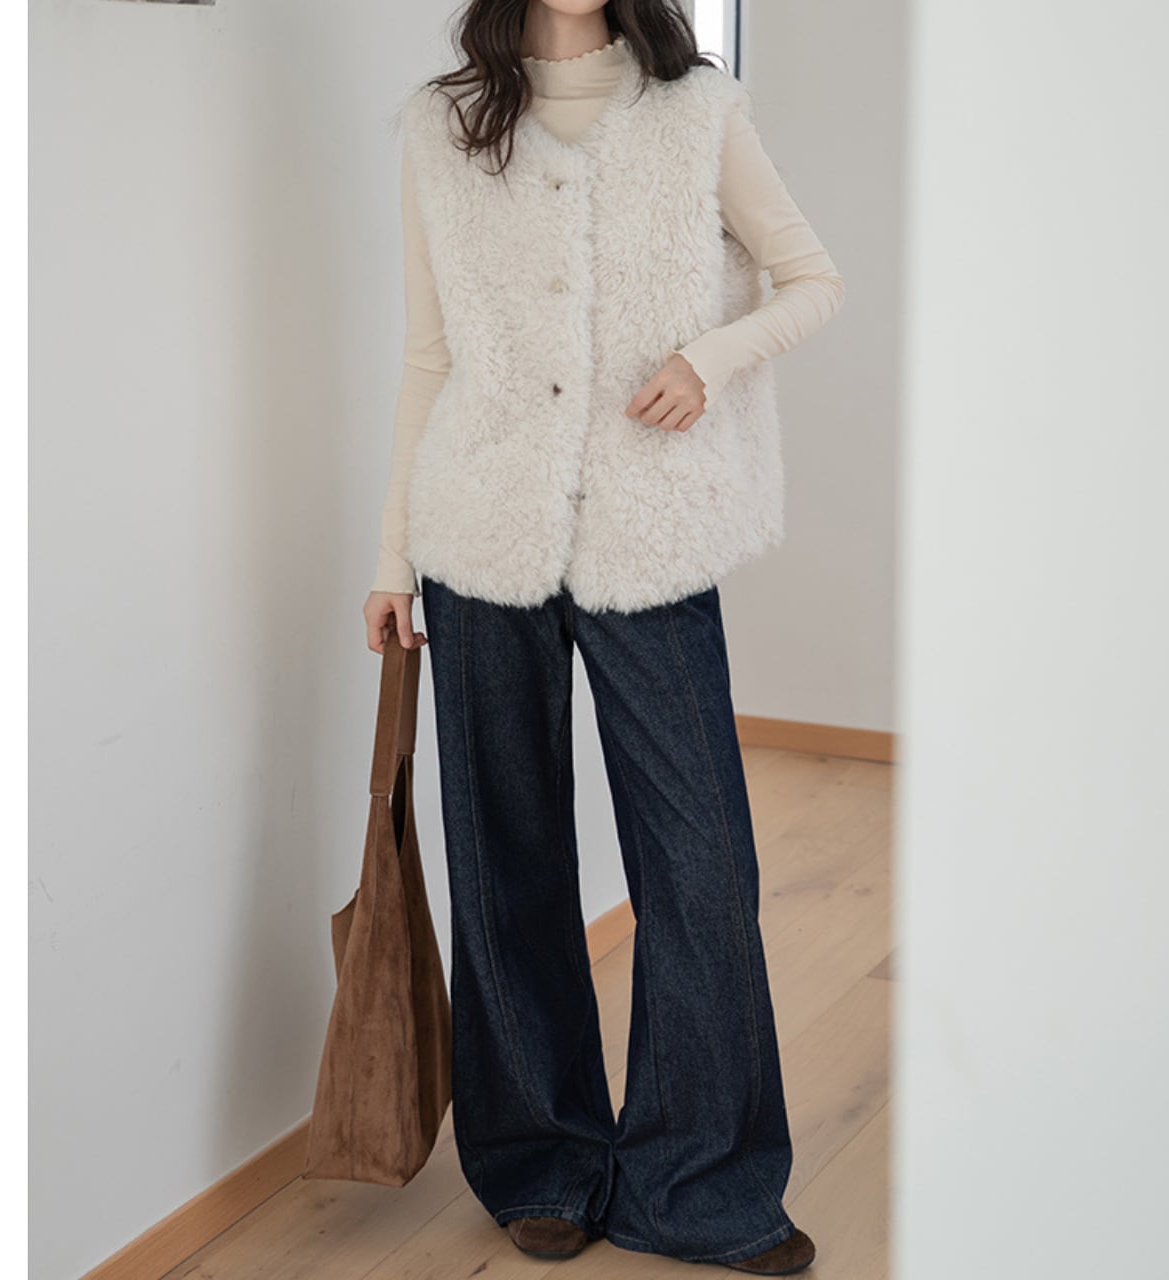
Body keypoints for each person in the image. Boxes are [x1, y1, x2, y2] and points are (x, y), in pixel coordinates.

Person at [362, 1, 845, 1273]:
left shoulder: (697, 112)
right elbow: (427, 357)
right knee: (505, 859)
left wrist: (706, 356)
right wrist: (391, 556)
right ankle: (542, 1159)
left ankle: (703, 1182)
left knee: (699, 866)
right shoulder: (441, 128)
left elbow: (811, 279)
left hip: (652, 535)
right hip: (481, 534)